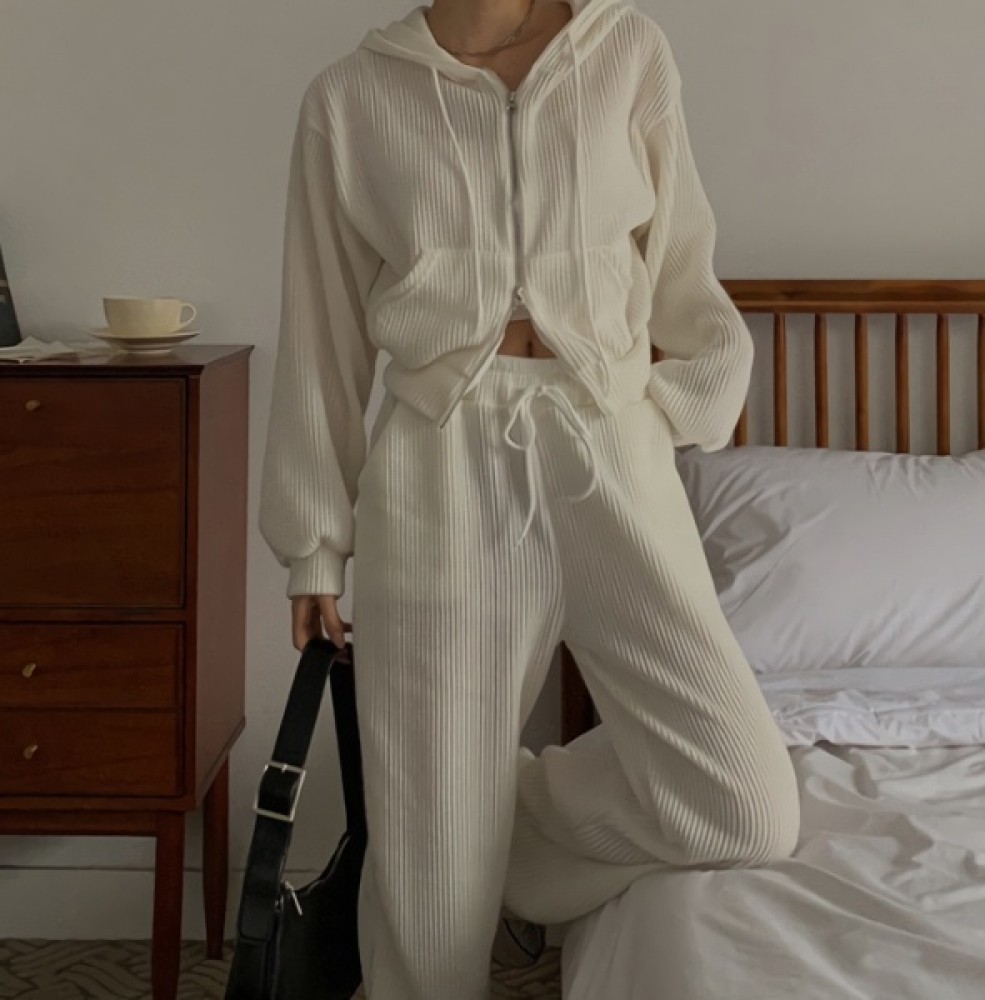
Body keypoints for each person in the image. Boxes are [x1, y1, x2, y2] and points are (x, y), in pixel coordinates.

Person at [258, 0, 801, 997]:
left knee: (743, 802)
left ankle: (491, 828)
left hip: (607, 445)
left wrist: (672, 406)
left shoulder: (625, 49)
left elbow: (681, 255)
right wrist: (315, 543)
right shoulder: (352, 96)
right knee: (428, 907)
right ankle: (441, 833)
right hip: (438, 462)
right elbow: (321, 329)